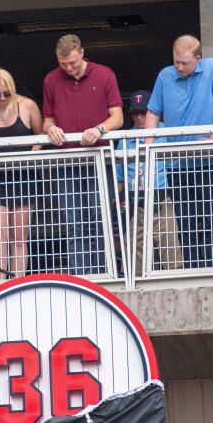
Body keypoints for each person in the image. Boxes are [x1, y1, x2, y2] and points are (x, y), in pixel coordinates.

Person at [145, 34, 213, 269]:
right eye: (176, 61)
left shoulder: (212, 67)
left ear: (199, 58)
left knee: (212, 219)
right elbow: (153, 114)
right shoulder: (165, 75)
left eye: (185, 62)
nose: (180, 67)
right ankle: (194, 268)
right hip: (177, 163)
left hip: (210, 161)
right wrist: (148, 145)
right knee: (186, 222)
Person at [42, 34, 123, 274]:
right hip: (67, 161)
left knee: (100, 219)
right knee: (74, 223)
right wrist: (51, 129)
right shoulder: (51, 80)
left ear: (82, 53)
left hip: (100, 160)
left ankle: (103, 274)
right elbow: (47, 120)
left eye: (73, 63)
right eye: (63, 64)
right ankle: (81, 277)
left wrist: (99, 130)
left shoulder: (104, 74)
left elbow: (117, 117)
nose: (68, 68)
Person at [0, 67, 43, 279]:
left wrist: (29, 157)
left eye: (6, 93)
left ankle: (18, 281)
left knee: (19, 234)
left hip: (23, 176)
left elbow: (40, 135)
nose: (2, 98)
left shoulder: (27, 105)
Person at [115, 90, 182, 276]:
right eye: (135, 113)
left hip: (162, 200)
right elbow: (120, 178)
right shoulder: (126, 138)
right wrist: (116, 204)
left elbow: (175, 168)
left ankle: (174, 284)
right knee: (133, 253)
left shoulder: (165, 130)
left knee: (170, 249)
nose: (139, 117)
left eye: (143, 112)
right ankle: (135, 288)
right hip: (137, 203)